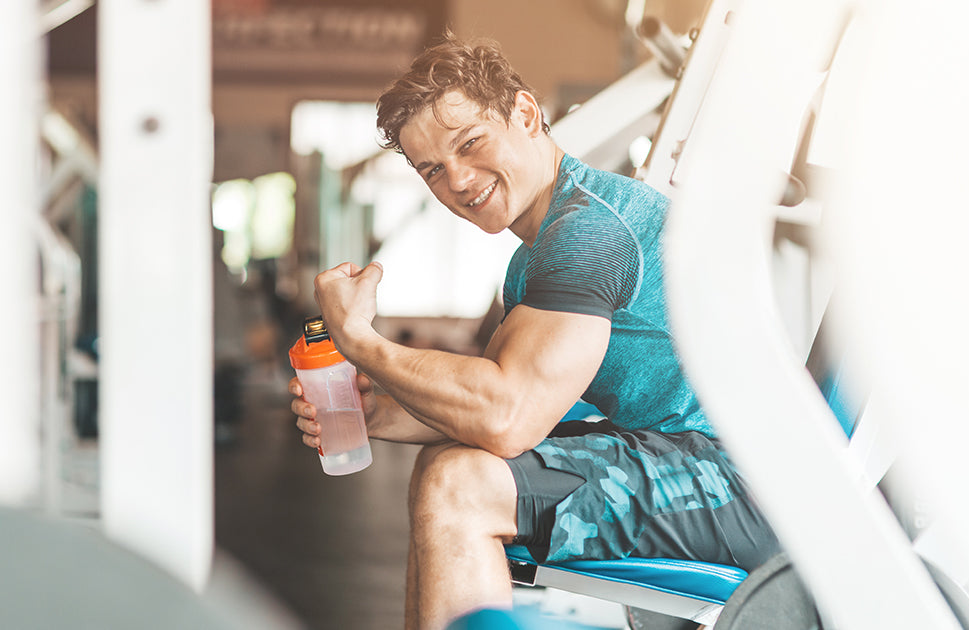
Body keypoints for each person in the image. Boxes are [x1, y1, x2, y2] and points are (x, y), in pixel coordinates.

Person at [289, 33, 781, 630]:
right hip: (697, 463)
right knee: (447, 464)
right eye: (434, 170)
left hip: (746, 485)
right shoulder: (535, 255)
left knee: (460, 485)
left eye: (471, 144)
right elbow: (485, 409)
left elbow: (506, 417)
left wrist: (359, 339)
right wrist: (375, 414)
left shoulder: (591, 231)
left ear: (524, 113)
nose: (460, 180)